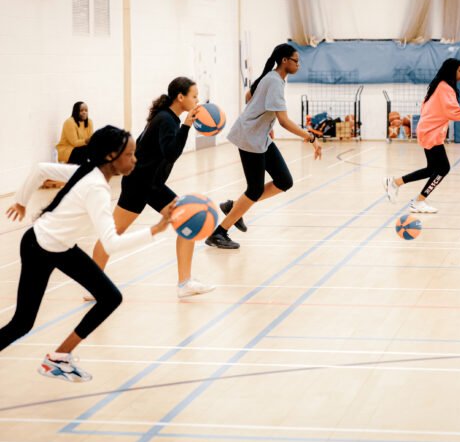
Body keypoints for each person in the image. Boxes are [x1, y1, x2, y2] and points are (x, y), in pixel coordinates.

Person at [2, 126, 172, 382]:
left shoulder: (88, 171)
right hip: (39, 247)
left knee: (110, 297)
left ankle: (58, 358)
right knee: (22, 323)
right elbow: (111, 243)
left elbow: (41, 170)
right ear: (111, 156)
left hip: (61, 246)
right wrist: (155, 230)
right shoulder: (97, 189)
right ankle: (58, 358)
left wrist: (21, 201)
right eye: (129, 154)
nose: (134, 159)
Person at [92, 77, 214, 299]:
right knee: (113, 233)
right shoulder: (167, 120)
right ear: (180, 97)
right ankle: (93, 284)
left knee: (187, 219)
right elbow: (171, 152)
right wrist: (187, 126)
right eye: (194, 96)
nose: (197, 100)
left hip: (150, 184)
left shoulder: (167, 118)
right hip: (140, 184)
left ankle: (185, 283)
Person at [205, 43, 322, 250]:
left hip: (260, 137)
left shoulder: (272, 78)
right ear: (285, 61)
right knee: (255, 189)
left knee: (284, 181)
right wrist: (310, 137)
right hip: (249, 138)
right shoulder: (274, 81)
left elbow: (249, 97)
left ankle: (234, 207)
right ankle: (219, 233)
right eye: (296, 60)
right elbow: (284, 121)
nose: (299, 65)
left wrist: (265, 124)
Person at [383, 58, 460, 213]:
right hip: (430, 132)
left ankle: (394, 183)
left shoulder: (440, 86)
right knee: (443, 168)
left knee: (432, 169)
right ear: (451, 71)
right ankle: (418, 201)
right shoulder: (444, 88)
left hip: (428, 130)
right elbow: (455, 113)